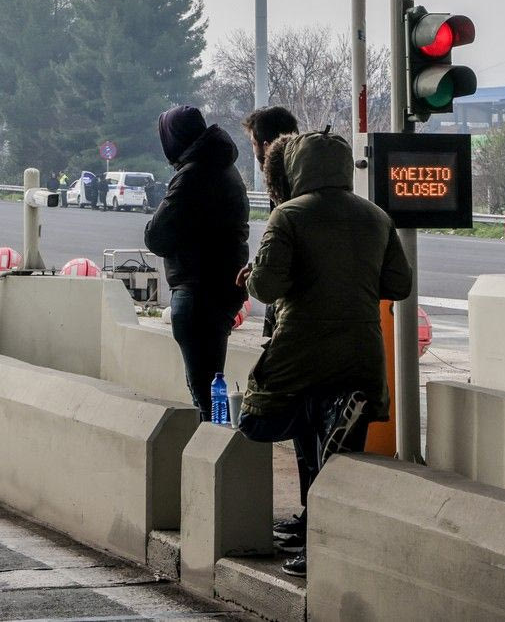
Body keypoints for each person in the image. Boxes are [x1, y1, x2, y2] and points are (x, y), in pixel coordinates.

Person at [235, 131, 411, 576]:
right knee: (338, 457)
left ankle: (315, 545)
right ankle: (329, 537)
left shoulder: (288, 217)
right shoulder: (376, 217)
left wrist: (252, 276)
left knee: (267, 422)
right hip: (360, 350)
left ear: (298, 168)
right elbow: (399, 286)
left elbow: (269, 286)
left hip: (302, 349)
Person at [143, 105, 250, 419]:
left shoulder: (192, 176)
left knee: (203, 389)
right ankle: (219, 439)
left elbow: (156, 237)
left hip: (197, 291)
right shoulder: (224, 168)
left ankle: (215, 447)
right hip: (223, 289)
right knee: (212, 379)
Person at [243, 106, 300, 338]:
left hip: (294, 316)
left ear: (267, 146)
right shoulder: (310, 178)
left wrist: (258, 272)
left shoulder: (285, 193)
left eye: (253, 143)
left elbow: (266, 284)